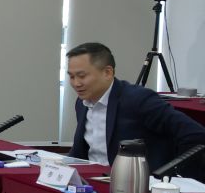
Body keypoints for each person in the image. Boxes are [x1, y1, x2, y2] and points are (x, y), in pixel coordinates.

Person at [65, 41, 205, 178]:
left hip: (134, 184)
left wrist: (170, 175)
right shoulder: (82, 103)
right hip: (92, 179)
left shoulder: (138, 99)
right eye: (71, 77)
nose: (76, 83)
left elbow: (195, 134)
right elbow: (81, 151)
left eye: (82, 76)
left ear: (107, 72)